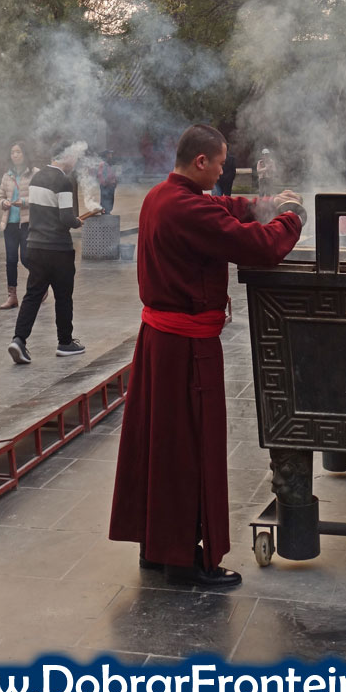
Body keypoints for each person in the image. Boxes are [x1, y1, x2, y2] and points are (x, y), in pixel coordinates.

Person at [109, 124, 303, 587]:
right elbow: (259, 247)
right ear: (201, 162)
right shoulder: (185, 208)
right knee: (189, 450)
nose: (223, 172)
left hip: (160, 342)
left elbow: (222, 207)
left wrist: (266, 203)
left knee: (160, 446)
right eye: (220, 164)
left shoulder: (163, 195)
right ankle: (184, 559)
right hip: (186, 349)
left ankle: (156, 547)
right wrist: (290, 218)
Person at [7, 145, 95, 365]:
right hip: (58, 248)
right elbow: (66, 217)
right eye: (73, 157)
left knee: (33, 295)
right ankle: (65, 342)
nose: (75, 162)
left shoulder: (37, 177)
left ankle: (19, 339)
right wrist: (77, 222)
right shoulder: (62, 181)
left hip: (35, 246)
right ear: (64, 157)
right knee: (63, 296)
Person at [0, 141, 37, 310]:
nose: (15, 155)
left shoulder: (34, 174)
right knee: (11, 260)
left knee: (26, 258)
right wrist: (4, 202)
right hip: (10, 224)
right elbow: (0, 197)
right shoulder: (7, 175)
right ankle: (12, 296)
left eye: (18, 152)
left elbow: (40, 197)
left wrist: (25, 202)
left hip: (27, 223)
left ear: (25, 154)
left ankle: (40, 284)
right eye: (12, 152)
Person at [97, 150, 119, 215]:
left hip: (111, 185)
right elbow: (100, 175)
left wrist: (115, 181)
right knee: (104, 200)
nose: (110, 156)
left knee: (111, 199)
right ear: (106, 155)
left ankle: (108, 212)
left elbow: (113, 174)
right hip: (105, 186)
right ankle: (104, 213)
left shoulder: (111, 164)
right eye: (109, 154)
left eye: (111, 154)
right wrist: (104, 182)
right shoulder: (102, 164)